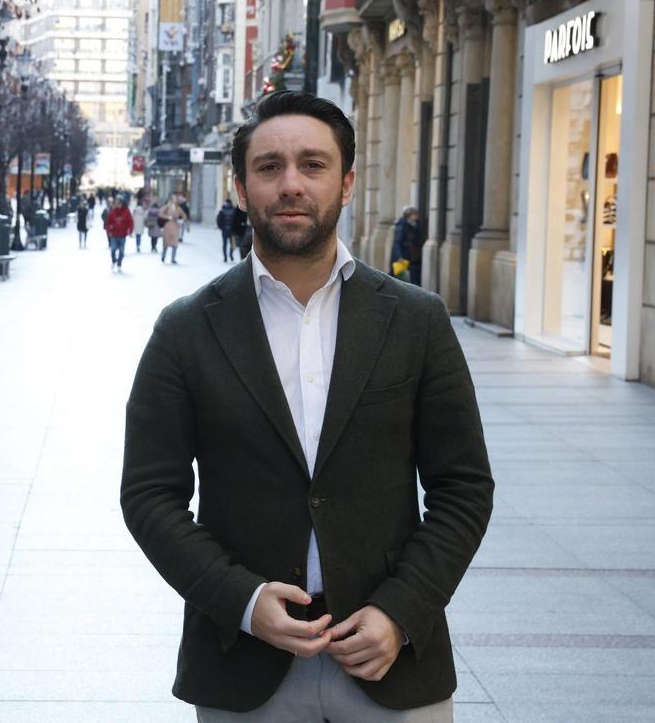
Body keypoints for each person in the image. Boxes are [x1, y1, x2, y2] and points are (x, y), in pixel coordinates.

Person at [120, 90, 493, 723]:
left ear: (347, 183)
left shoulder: (416, 320)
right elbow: (149, 495)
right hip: (244, 667)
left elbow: (463, 487)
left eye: (313, 165)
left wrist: (402, 610)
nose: (291, 183)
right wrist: (241, 600)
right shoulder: (185, 329)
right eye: (269, 167)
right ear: (240, 187)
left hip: (391, 665)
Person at [392, 205, 422, 286]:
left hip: (414, 257)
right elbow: (397, 242)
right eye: (414, 214)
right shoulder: (402, 225)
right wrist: (399, 256)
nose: (416, 216)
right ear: (408, 215)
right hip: (405, 256)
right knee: (403, 278)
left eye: (416, 214)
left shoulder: (417, 225)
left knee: (414, 278)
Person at [105, 195, 134, 272]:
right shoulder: (113, 212)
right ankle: (114, 261)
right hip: (114, 235)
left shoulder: (126, 211)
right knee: (113, 250)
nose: (117, 204)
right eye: (116, 203)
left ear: (122, 203)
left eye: (119, 203)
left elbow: (130, 222)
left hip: (122, 235)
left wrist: (130, 231)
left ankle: (119, 264)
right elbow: (108, 222)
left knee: (121, 251)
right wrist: (109, 231)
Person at [159, 196, 183, 264]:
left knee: (175, 243)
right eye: (174, 199)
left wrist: (181, 220)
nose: (175, 200)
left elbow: (184, 215)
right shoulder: (167, 206)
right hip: (168, 226)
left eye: (176, 199)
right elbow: (160, 213)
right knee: (166, 243)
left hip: (175, 226)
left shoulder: (178, 208)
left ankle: (173, 258)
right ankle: (163, 256)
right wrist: (168, 217)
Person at [216, 198, 236, 262]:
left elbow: (218, 220)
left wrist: (221, 227)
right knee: (232, 243)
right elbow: (236, 220)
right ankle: (231, 254)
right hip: (232, 230)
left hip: (224, 230)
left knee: (224, 244)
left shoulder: (222, 210)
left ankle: (225, 258)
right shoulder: (234, 210)